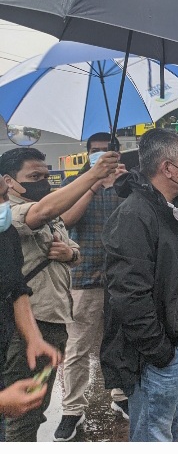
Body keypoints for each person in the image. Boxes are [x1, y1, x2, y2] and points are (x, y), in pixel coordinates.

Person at [0, 146, 118, 442]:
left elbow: (70, 246)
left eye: (46, 175)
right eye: (34, 176)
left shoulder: (48, 214)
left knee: (34, 409)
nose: (43, 181)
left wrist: (69, 254)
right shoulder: (10, 214)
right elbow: (44, 211)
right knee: (21, 417)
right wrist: (94, 174)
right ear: (8, 181)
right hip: (27, 328)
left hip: (50, 324)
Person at [100, 128, 178, 442]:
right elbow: (129, 295)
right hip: (161, 356)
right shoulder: (134, 215)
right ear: (168, 169)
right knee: (154, 436)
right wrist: (159, 351)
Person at [53, 133, 130, 441]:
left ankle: (121, 393)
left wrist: (126, 187)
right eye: (94, 152)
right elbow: (66, 218)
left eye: (105, 152)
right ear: (87, 155)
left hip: (122, 278)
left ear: (117, 154)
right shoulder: (76, 183)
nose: (99, 156)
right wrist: (92, 184)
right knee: (77, 347)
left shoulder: (129, 183)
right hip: (84, 277)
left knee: (120, 342)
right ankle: (72, 409)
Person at [0, 176, 62, 441]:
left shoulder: (6, 234)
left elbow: (16, 288)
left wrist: (33, 337)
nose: (4, 207)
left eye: (3, 196)